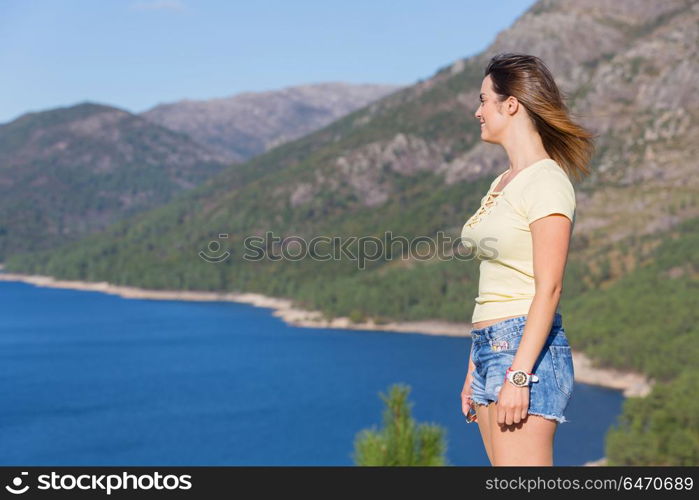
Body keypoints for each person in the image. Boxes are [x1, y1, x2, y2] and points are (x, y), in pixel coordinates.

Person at [459, 53, 596, 466]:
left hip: (522, 349)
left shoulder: (547, 181)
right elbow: (493, 280)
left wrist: (519, 375)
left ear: (512, 104)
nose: (477, 111)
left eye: (484, 100)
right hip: (489, 346)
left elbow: (549, 287)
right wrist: (473, 366)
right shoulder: (502, 182)